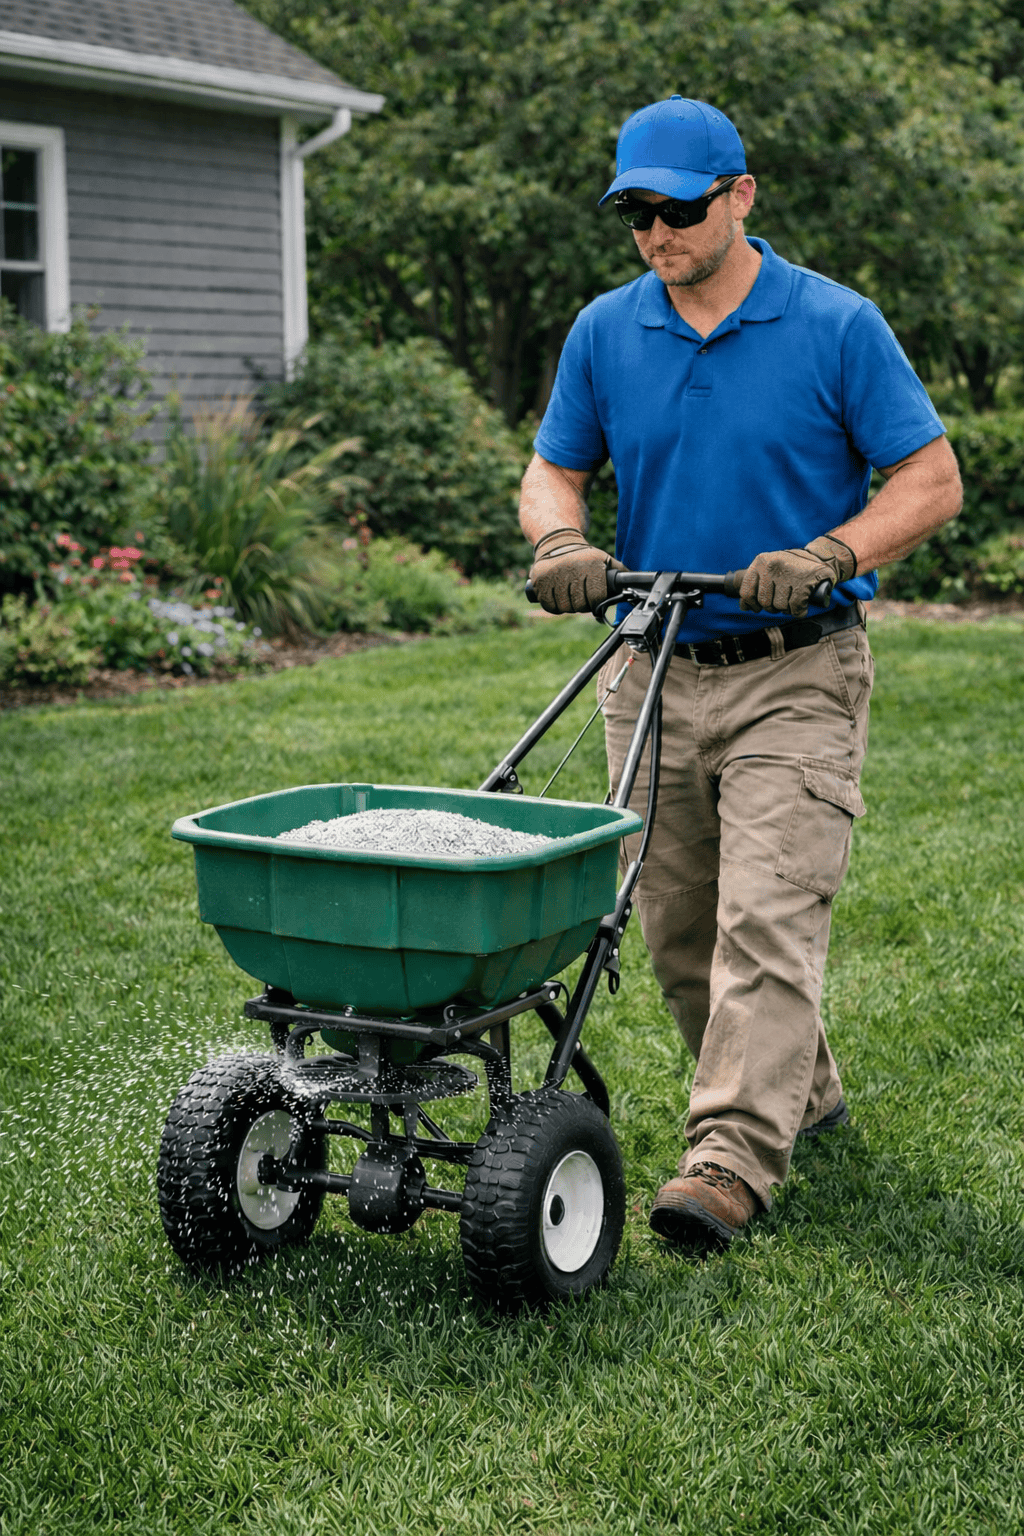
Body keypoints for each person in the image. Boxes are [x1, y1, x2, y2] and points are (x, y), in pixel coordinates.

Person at [521, 95, 962, 1247]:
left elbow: (929, 479)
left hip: (795, 670)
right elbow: (552, 470)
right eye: (635, 215)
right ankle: (801, 1096)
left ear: (739, 196)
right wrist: (560, 542)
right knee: (670, 934)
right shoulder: (607, 330)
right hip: (653, 659)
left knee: (764, 921)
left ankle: (725, 1159)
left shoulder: (834, 324)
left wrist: (831, 553)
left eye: (677, 209)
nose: (656, 234)